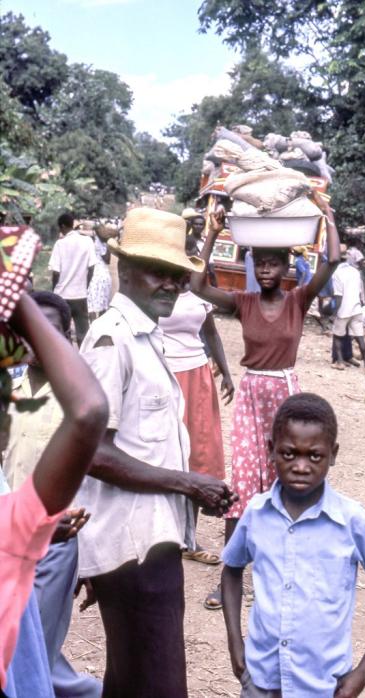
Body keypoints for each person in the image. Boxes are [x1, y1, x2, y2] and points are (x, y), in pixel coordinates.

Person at [78, 207, 237, 698]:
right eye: (157, 272)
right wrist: (188, 482)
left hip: (151, 536)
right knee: (160, 679)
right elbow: (93, 455)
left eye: (176, 274)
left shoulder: (148, 336)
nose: (171, 284)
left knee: (131, 677)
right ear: (123, 269)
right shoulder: (112, 340)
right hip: (132, 545)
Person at [191, 195, 340, 608]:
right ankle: (229, 577)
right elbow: (197, 285)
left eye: (273, 264)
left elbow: (333, 262)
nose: (266, 271)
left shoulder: (298, 300)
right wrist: (214, 232)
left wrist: (327, 217)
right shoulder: (244, 303)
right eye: (260, 264)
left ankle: (287, 576)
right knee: (241, 488)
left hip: (285, 397)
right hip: (252, 394)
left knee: (290, 481)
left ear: (287, 269)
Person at [222, 392, 365, 697]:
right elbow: (231, 570)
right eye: (289, 453)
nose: (301, 466)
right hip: (260, 679)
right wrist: (235, 642)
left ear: (333, 454)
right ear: (271, 450)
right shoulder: (255, 513)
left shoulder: (351, 521)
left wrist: (363, 672)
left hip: (323, 684)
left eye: (315, 456)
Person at [0, 292, 108, 694]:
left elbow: (94, 485)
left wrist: (92, 561)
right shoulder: (11, 388)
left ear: (67, 337)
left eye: (46, 335)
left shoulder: (75, 398)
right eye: (22, 335)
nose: (32, 346)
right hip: (12, 532)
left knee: (36, 642)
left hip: (58, 542)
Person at [159, 236, 235, 572]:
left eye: (193, 257)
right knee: (165, 454)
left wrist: (227, 374)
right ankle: (162, 535)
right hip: (163, 374)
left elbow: (212, 336)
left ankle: (189, 539)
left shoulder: (199, 298)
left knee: (198, 456)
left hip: (197, 376)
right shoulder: (161, 293)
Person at [49, 213, 97, 346]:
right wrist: (85, 285)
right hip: (80, 295)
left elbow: (56, 273)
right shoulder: (87, 241)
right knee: (83, 333)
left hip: (62, 296)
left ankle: (67, 361)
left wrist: (54, 290)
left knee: (63, 333)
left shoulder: (60, 244)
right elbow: (92, 267)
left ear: (63, 226)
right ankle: (84, 361)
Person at [331, 247, 365, 371]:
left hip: (344, 310)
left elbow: (338, 296)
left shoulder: (337, 273)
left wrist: (334, 312)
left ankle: (340, 362)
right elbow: (359, 291)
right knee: (360, 337)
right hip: (356, 308)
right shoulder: (355, 272)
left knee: (337, 336)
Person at [87, 224, 112, 321]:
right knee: (103, 302)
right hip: (105, 274)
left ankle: (93, 326)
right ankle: (102, 326)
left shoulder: (95, 242)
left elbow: (106, 259)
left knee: (91, 303)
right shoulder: (105, 243)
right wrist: (110, 247)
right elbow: (108, 260)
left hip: (95, 274)